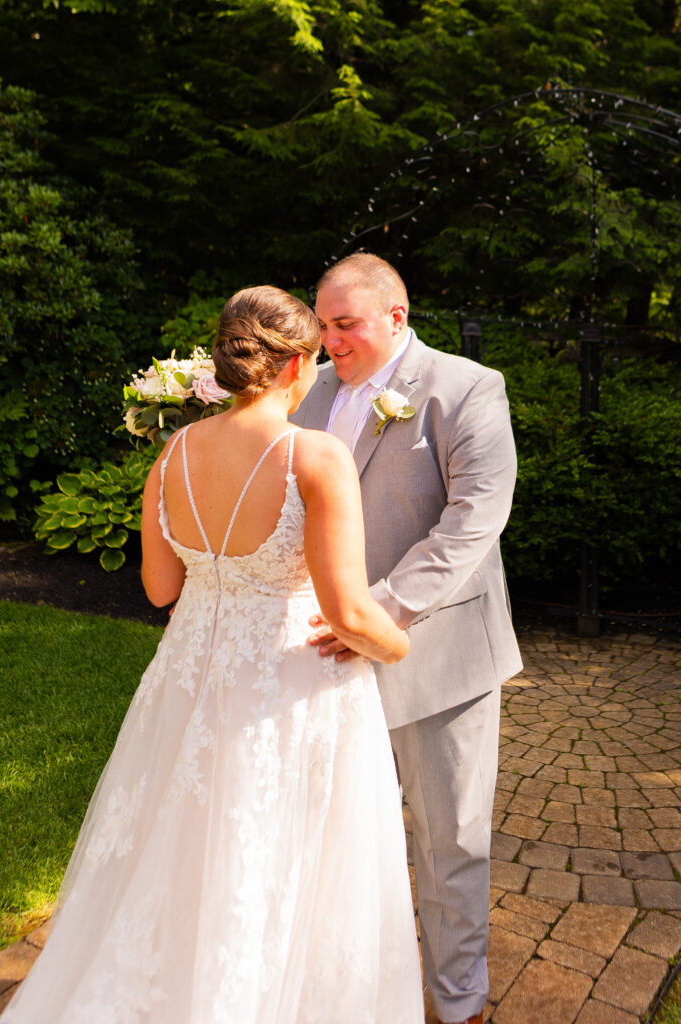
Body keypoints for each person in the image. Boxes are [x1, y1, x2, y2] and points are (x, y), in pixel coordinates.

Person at [0, 285, 424, 1024]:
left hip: (189, 683)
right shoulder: (314, 457)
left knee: (179, 858)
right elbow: (351, 610)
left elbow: (161, 588)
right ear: (301, 363)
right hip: (289, 694)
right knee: (276, 868)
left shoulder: (174, 450)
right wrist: (399, 644)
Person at [292, 254, 522, 1024]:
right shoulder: (313, 390)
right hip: (325, 655)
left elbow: (474, 523)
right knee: (338, 831)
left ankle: (461, 1004)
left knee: (449, 838)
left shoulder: (466, 388)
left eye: (344, 324)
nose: (329, 342)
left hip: (438, 656)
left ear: (397, 315)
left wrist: (377, 612)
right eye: (322, 325)